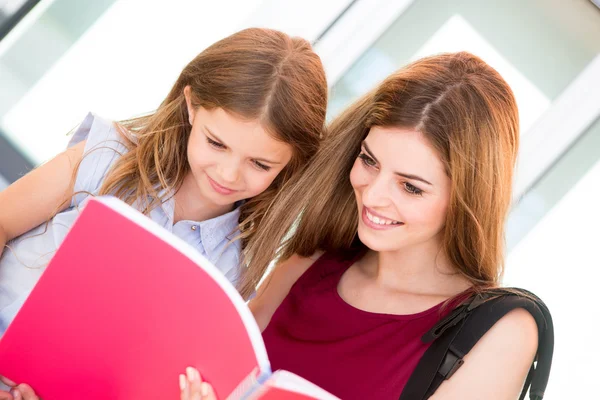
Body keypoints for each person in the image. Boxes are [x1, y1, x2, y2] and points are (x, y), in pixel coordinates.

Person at [182, 52, 540, 400]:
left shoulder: (503, 330)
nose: (373, 196)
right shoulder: (316, 261)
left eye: (411, 187)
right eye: (369, 161)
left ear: (467, 201)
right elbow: (214, 365)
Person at [0, 27, 328, 400]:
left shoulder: (233, 275)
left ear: (290, 164)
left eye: (259, 164)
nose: (228, 173)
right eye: (216, 143)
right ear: (191, 105)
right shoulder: (107, 156)